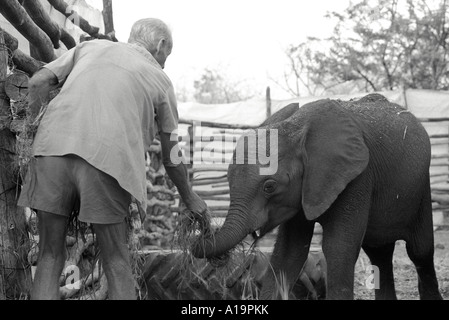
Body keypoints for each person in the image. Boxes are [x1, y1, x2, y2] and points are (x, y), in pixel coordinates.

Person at [18, 18, 208, 300]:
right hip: (106, 161)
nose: (165, 63)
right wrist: (190, 197)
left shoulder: (90, 48)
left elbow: (38, 82)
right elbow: (171, 153)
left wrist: (30, 136)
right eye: (167, 56)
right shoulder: (161, 79)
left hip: (50, 153)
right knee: (117, 260)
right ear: (161, 45)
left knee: (48, 255)